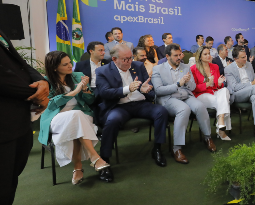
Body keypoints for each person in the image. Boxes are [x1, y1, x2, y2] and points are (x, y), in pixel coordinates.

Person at [0, 22, 50, 205]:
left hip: (17, 119)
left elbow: (21, 64)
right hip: (3, 122)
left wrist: (41, 81)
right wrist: (36, 95)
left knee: (10, 175)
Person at [96, 44, 169, 182]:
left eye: (130, 58)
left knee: (161, 112)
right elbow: (104, 93)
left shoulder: (138, 66)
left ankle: (157, 148)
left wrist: (146, 90)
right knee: (112, 121)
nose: (129, 62)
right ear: (114, 59)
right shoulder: (103, 71)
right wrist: (127, 89)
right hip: (119, 106)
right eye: (125, 59)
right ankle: (104, 159)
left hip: (140, 103)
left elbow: (147, 86)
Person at [40, 51, 109, 185]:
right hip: (57, 117)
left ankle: (78, 167)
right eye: (65, 64)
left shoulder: (78, 76)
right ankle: (94, 157)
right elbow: (52, 104)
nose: (70, 66)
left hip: (81, 113)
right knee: (76, 118)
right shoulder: (45, 82)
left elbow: (90, 101)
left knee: (76, 119)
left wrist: (85, 90)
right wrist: (76, 91)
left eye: (70, 62)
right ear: (54, 68)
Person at [151, 44, 216, 164]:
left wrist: (187, 82)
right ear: (167, 56)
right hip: (168, 98)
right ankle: (177, 148)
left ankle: (208, 138)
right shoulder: (158, 69)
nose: (179, 58)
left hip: (186, 95)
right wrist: (178, 84)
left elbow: (193, 87)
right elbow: (159, 90)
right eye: (175, 55)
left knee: (200, 106)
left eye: (179, 55)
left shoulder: (185, 67)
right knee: (184, 109)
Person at [191, 46, 232, 140]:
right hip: (201, 95)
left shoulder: (215, 66)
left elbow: (217, 86)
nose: (208, 56)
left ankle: (221, 118)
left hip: (214, 92)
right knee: (224, 101)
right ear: (200, 56)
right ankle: (221, 131)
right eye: (205, 54)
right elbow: (193, 88)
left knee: (225, 90)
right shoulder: (193, 69)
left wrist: (220, 83)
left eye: (209, 53)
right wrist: (206, 84)